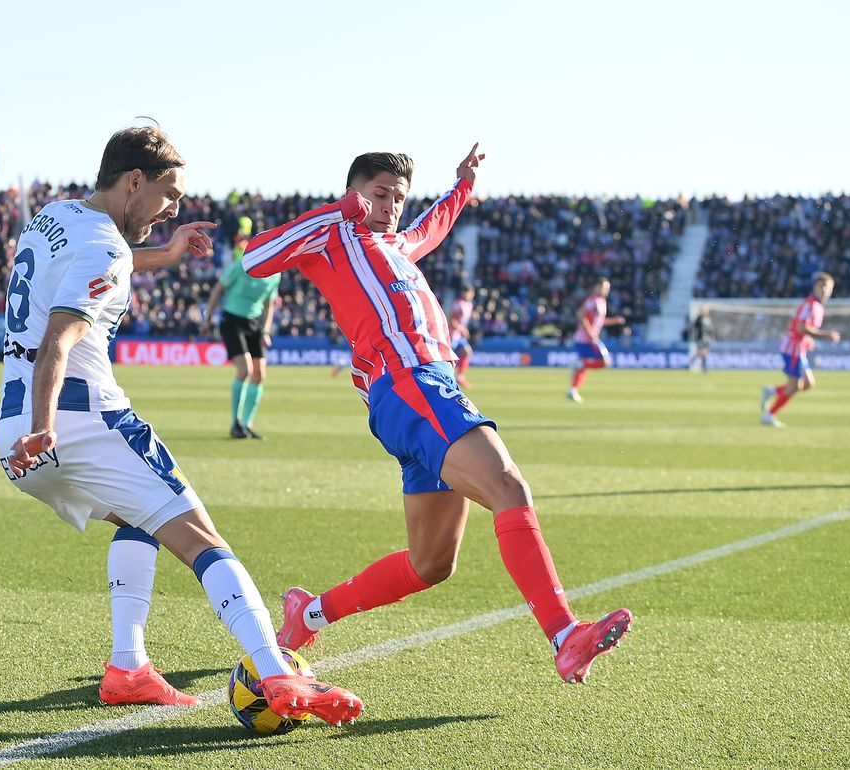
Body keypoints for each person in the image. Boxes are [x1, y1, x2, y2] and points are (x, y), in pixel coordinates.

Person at [0, 125, 363, 724]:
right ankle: (279, 676)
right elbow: (60, 335)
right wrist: (47, 424)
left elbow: (92, 264)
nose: (173, 208)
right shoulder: (105, 248)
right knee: (202, 540)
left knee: (146, 522)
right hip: (75, 420)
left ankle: (127, 668)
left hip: (12, 430)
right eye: (169, 193)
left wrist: (163, 254)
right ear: (134, 180)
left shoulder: (53, 216)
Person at [242, 146, 631, 685]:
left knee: (432, 564)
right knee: (508, 486)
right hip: (411, 383)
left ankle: (306, 615)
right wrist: (338, 211)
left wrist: (463, 185)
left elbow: (436, 225)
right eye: (380, 195)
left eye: (398, 199)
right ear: (355, 192)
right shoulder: (333, 236)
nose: (390, 207)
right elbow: (253, 259)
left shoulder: (397, 246)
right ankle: (566, 636)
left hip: (419, 393)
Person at [203, 234, 280, 439]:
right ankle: (235, 424)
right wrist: (208, 317)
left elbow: (270, 304)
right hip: (232, 320)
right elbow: (218, 290)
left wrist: (265, 330)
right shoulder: (240, 267)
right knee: (245, 370)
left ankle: (247, 424)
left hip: (254, 323)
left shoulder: (275, 274)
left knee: (260, 374)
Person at [760, 273, 840, 428]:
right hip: (792, 348)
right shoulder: (809, 304)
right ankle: (769, 415)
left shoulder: (818, 307)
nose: (824, 290)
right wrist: (826, 335)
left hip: (799, 348)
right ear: (814, 287)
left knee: (808, 383)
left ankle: (772, 391)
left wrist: (808, 340)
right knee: (795, 386)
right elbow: (801, 327)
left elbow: (804, 329)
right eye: (821, 286)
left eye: (828, 288)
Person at [566, 278, 625, 403]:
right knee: (605, 362)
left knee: (585, 366)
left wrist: (614, 321)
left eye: (608, 288)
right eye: (604, 287)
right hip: (584, 339)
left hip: (590, 339)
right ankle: (577, 370)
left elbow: (599, 322)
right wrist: (590, 333)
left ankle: (573, 390)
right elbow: (580, 315)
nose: (607, 290)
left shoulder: (602, 302)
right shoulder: (592, 300)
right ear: (597, 287)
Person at [448, 286, 475, 387]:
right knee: (450, 357)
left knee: (467, 352)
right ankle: (447, 377)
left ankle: (460, 378)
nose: (466, 295)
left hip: (460, 336)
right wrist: (461, 329)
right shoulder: (458, 304)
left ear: (473, 293)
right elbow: (452, 320)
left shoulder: (470, 305)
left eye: (468, 293)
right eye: (464, 292)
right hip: (453, 335)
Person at [691, 304, 714, 373]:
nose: (706, 312)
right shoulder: (699, 318)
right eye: (705, 310)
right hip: (700, 338)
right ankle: (703, 367)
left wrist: (711, 336)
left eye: (707, 310)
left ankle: (694, 362)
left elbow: (710, 329)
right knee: (702, 353)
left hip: (707, 338)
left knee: (703, 353)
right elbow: (695, 326)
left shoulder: (709, 318)